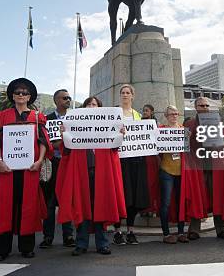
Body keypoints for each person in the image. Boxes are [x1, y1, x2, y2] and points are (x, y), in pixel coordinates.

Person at [56, 96, 126, 256]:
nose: (91, 106)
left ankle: (102, 244)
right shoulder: (76, 128)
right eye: (88, 104)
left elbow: (114, 151)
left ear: (100, 109)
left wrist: (120, 135)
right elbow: (66, 152)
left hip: (101, 175)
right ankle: (81, 244)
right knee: (82, 208)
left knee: (100, 208)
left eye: (94, 104)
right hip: (82, 174)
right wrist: (64, 135)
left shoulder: (108, 127)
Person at [0, 78, 52, 261]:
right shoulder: (3, 116)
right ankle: (3, 249)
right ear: (12, 95)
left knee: (28, 206)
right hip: (7, 170)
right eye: (18, 92)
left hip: (29, 169)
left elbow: (42, 141)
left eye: (24, 93)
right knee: (5, 207)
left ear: (29, 97)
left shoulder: (36, 117)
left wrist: (40, 161)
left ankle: (27, 247)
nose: (21, 95)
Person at [185, 97, 224, 240]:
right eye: (201, 105)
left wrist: (222, 140)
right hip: (198, 166)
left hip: (214, 165)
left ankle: (221, 228)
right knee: (197, 197)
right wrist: (188, 137)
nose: (204, 107)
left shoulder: (217, 123)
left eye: (206, 105)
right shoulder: (189, 124)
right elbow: (185, 145)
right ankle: (194, 229)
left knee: (217, 196)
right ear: (195, 107)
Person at [113, 84, 149, 245]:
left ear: (133, 96)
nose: (125, 95)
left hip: (135, 159)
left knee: (133, 196)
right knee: (119, 195)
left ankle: (131, 231)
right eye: (123, 92)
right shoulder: (114, 113)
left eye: (128, 92)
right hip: (118, 159)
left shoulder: (137, 115)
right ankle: (117, 231)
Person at [40, 89, 75, 249]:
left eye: (69, 98)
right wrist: (59, 142)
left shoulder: (75, 119)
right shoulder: (47, 120)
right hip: (52, 163)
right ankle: (48, 237)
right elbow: (45, 143)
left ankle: (68, 235)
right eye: (64, 98)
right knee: (50, 201)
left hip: (69, 164)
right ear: (56, 101)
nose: (68, 100)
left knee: (66, 200)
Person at [158, 105, 188, 243]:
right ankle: (166, 233)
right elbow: (155, 150)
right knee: (166, 202)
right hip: (166, 170)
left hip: (181, 170)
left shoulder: (183, 130)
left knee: (180, 201)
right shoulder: (161, 131)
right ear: (166, 116)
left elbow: (189, 151)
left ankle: (181, 232)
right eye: (171, 114)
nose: (174, 116)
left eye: (176, 113)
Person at [142, 104, 160, 217]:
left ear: (152, 112)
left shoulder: (156, 125)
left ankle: (153, 208)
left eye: (147, 110)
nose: (144, 112)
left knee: (153, 184)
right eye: (143, 111)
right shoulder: (138, 124)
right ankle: (144, 208)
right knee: (144, 184)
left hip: (152, 159)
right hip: (142, 158)